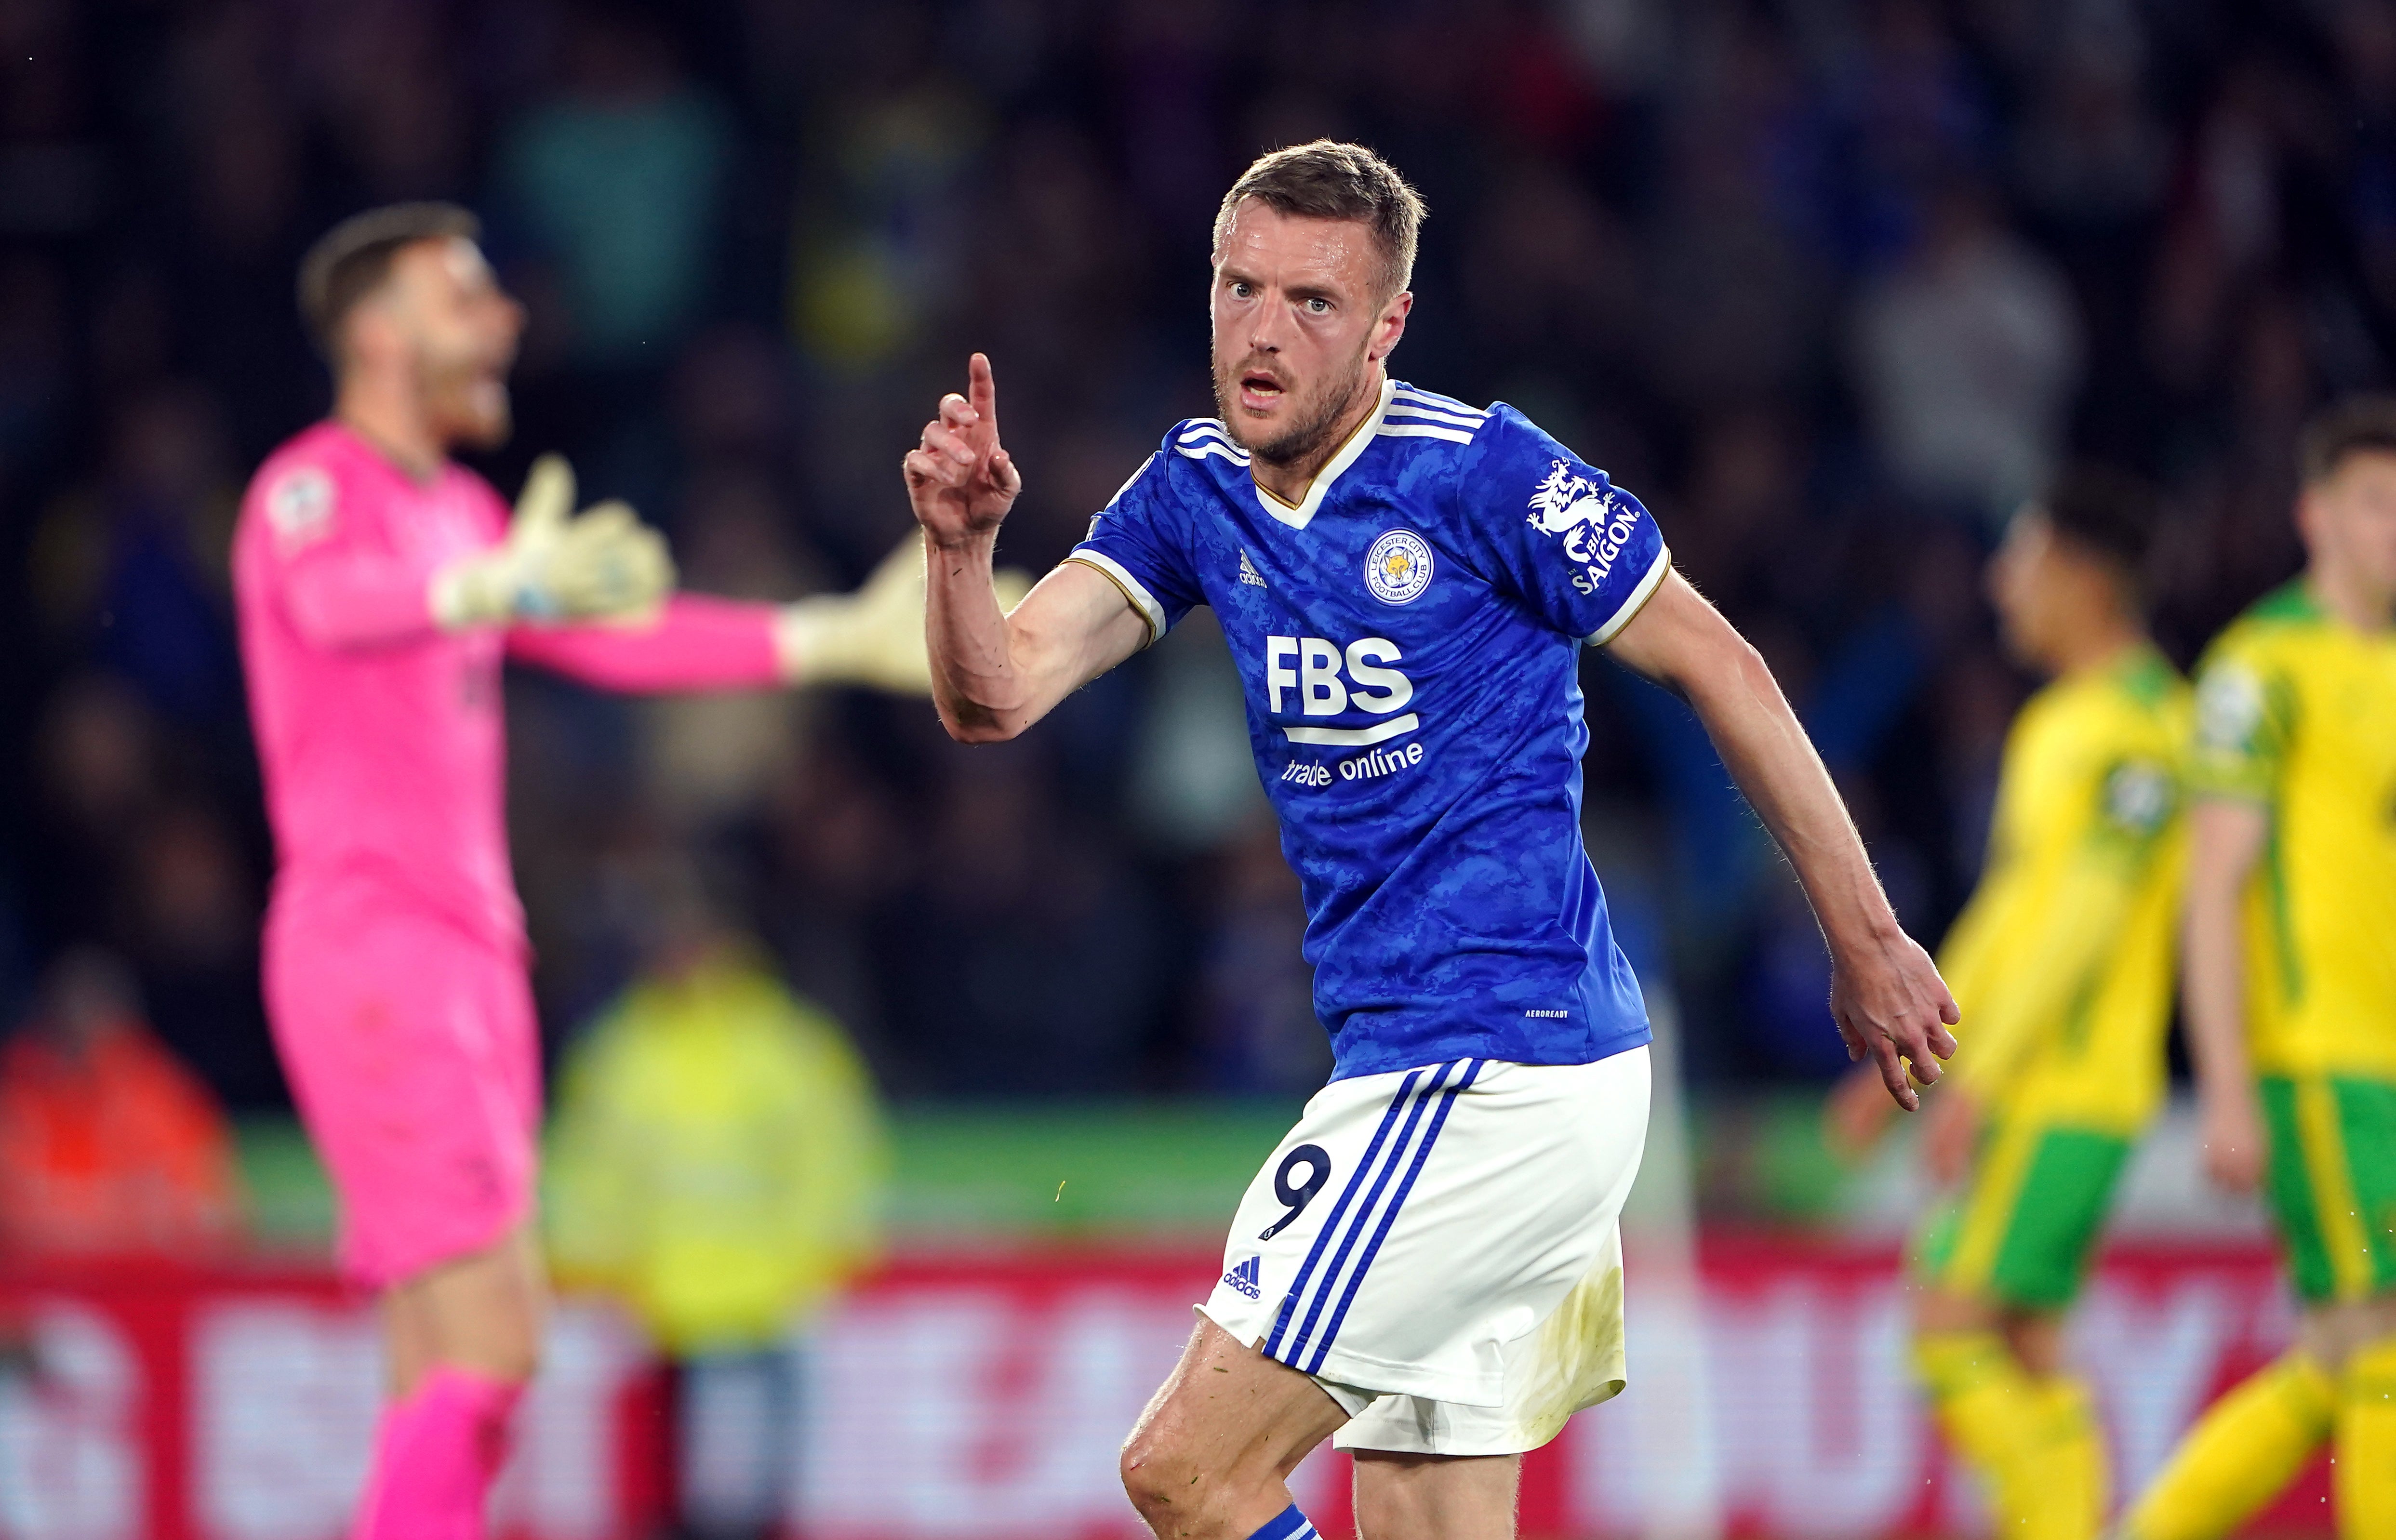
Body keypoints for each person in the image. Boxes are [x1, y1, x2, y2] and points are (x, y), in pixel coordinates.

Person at [904, 141, 1958, 1540]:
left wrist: (1866, 939)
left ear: (1387, 325)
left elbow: (1725, 667)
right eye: (1238, 289)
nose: (1262, 331)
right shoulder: (1192, 491)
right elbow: (995, 694)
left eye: (1313, 303)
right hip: (1440, 1064)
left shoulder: (1487, 475)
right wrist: (960, 554)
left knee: (1183, 1471)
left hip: (1494, 1066)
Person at [232, 202, 956, 1540]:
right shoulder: (312, 488)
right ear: (379, 331)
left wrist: (828, 643)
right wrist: (482, 589)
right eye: (466, 296)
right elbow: (335, 606)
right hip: (378, 953)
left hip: (463, 958)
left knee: (445, 1365)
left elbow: (617, 637)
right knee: (493, 1343)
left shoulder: (454, 509)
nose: (505, 318)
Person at [1827, 466, 2186, 1540]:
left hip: (2066, 1085)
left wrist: (1969, 1082)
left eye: (2021, 559)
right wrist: (1914, 1040)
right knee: (2024, 1337)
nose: (2000, 585)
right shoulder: (2069, 723)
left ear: (2084, 578)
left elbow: (2076, 933)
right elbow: (2011, 918)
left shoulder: (2130, 730)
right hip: (2045, 1081)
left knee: (1947, 1323)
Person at [2118, 398, 2396, 1540]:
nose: (2395, 531)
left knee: (2345, 1347)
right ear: (2314, 516)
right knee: (2378, 1333)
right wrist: (2229, 1086)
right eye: (2375, 506)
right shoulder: (2260, 669)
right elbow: (2212, 887)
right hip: (2320, 1057)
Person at [546, 862, 885, 1540]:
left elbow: (836, 1166)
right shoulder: (621, 1054)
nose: (686, 955)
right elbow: (586, 1177)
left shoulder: (786, 1048)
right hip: (656, 1322)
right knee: (670, 1507)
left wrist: (812, 1273)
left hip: (764, 1317)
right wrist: (598, 1277)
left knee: (750, 1506)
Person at [0, 946, 244, 1258]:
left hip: (147, 1289)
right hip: (35, 1292)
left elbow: (211, 1216)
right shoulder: (18, 1099)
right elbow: (13, 1214)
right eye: (68, 1025)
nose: (83, 1038)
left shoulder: (163, 1099)